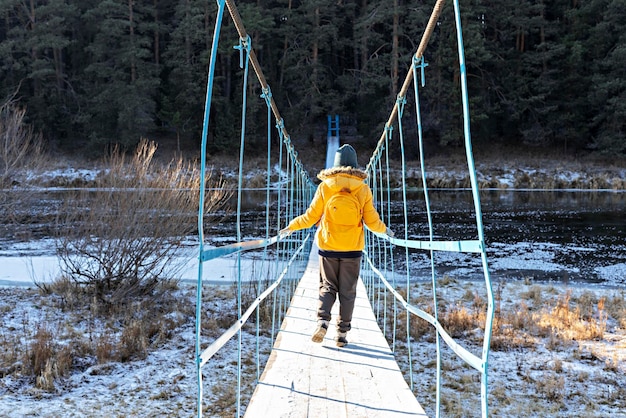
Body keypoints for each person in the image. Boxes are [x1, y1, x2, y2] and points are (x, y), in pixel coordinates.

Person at [280, 144, 393, 347]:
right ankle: (341, 334)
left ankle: (323, 321)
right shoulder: (363, 188)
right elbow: (372, 221)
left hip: (328, 246)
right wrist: (385, 230)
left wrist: (291, 227)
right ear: (355, 165)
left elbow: (310, 217)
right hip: (352, 249)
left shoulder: (326, 186)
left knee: (327, 286)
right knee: (348, 292)